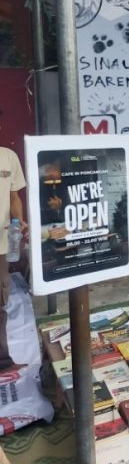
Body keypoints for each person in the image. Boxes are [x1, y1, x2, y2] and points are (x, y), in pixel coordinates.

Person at [0, 147, 26, 370]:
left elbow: (14, 196)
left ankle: (3, 360)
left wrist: (19, 222)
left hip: (1, 243)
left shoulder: (8, 156)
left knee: (0, 298)